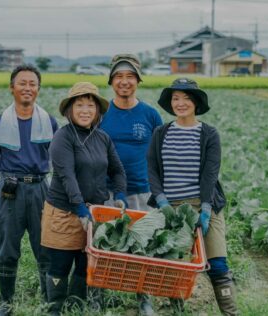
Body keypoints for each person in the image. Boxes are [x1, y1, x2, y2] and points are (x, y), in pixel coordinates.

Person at [147, 78, 238, 315]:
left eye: (187, 98)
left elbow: (210, 173)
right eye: (176, 98)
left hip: (204, 204)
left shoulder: (209, 134)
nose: (181, 103)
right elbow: (152, 170)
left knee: (217, 264)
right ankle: (176, 310)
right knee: (173, 265)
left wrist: (206, 209)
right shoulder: (161, 133)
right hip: (171, 207)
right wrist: (162, 201)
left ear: (196, 103)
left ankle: (231, 312)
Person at [41, 82, 127, 316]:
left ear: (97, 111)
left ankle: (75, 305)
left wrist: (119, 195)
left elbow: (117, 170)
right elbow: (67, 177)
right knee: (60, 265)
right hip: (65, 212)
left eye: (90, 105)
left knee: (84, 263)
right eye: (79, 105)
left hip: (94, 213)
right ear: (70, 109)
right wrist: (79, 209)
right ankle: (54, 308)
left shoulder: (103, 138)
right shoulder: (62, 137)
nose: (85, 110)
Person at [0, 64, 59, 316]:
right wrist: (10, 177)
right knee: (6, 247)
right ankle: (6, 301)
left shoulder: (48, 121)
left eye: (32, 84)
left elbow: (54, 156)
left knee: (46, 246)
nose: (27, 88)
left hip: (40, 189)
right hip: (10, 190)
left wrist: (38, 176)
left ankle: (49, 300)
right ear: (12, 87)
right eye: (22, 83)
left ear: (38, 89)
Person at [99, 53, 163, 315]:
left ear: (138, 81)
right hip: (106, 190)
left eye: (130, 77)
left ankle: (144, 297)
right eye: (118, 77)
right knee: (102, 244)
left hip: (142, 190)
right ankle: (98, 294)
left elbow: (161, 154)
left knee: (143, 244)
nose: (124, 82)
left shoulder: (150, 115)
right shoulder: (101, 112)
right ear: (111, 81)